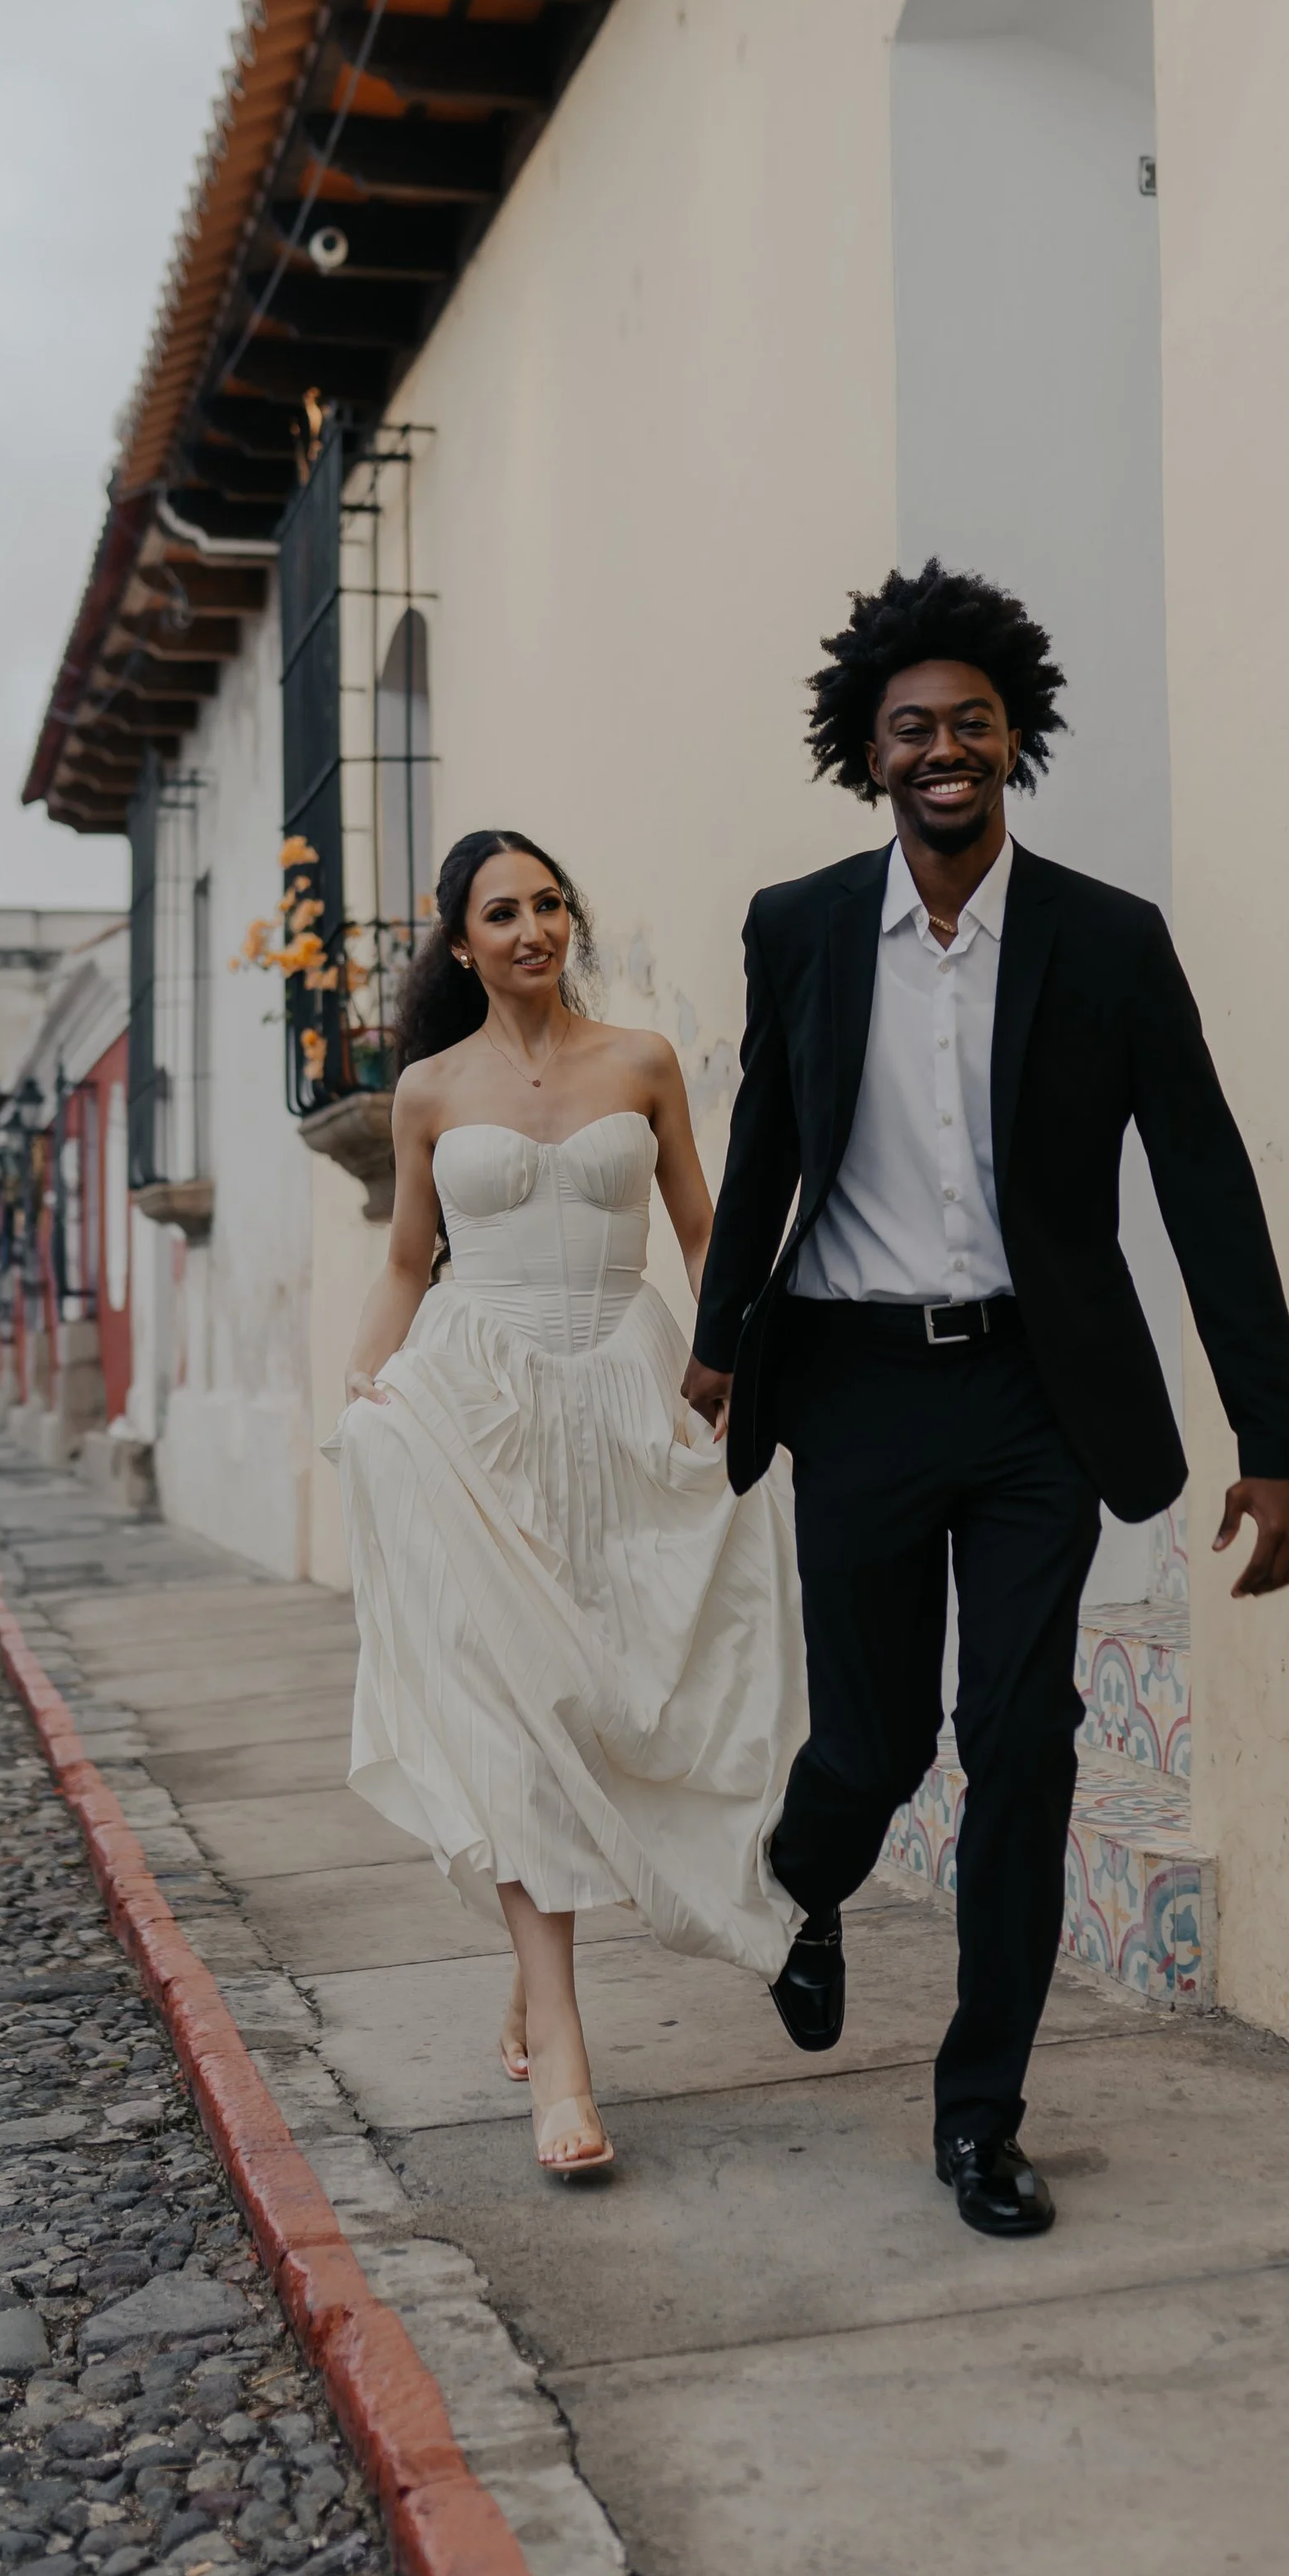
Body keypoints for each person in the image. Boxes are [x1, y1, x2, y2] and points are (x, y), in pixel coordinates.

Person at [684, 562, 1289, 2242]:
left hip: (1042, 1396)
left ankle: (979, 2118)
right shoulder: (801, 926)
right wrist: (713, 1336)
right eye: (910, 727)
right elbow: (762, 1145)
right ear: (867, 752)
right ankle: (806, 1883)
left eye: (970, 721)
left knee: (1018, 1746)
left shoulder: (1106, 944)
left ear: (1012, 740)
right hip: (860, 1387)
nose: (942, 748)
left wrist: (1275, 1440)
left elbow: (1203, 1183)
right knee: (872, 1750)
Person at [332, 830, 805, 2180]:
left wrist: (739, 1356)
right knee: (513, 1721)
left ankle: (531, 1984)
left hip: (627, 1389)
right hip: (479, 1407)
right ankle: (568, 2057)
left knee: (620, 1698)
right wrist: (365, 1385)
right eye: (502, 911)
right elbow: (410, 1261)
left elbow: (705, 1227)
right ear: (462, 939)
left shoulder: (642, 1061)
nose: (532, 927)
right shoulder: (428, 1089)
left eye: (549, 904)